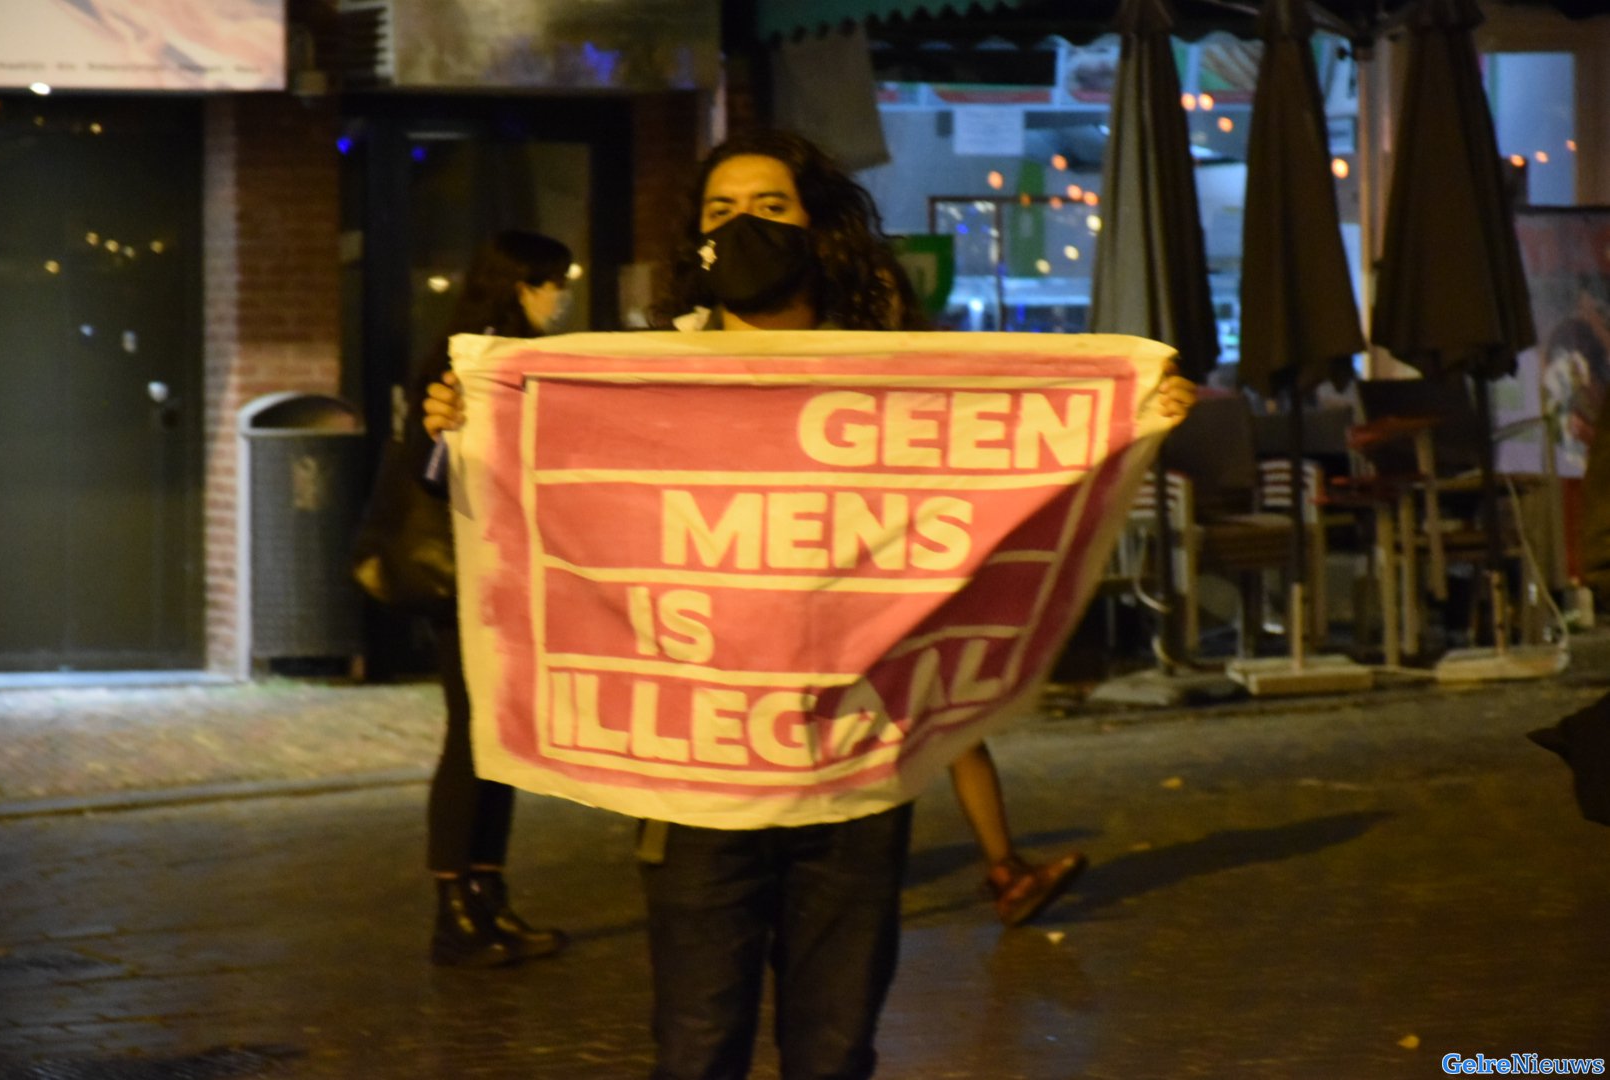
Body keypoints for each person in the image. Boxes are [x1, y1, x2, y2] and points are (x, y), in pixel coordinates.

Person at [424, 132, 1195, 1076]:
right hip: (700, 785)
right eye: (720, 213)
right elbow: (543, 489)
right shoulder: (634, 382)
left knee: (834, 1052)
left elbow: (1008, 477)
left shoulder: (896, 378)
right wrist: (463, 430)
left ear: (817, 229)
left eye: (770, 208)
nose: (744, 225)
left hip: (857, 768)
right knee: (698, 1048)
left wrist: (1136, 410)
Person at [415, 229, 575, 968]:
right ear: (521, 286)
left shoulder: (517, 364)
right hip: (460, 575)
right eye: (553, 284)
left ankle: (487, 892)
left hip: (504, 573)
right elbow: (420, 461)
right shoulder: (468, 362)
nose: (562, 298)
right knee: (471, 728)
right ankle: (454, 906)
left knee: (501, 730)